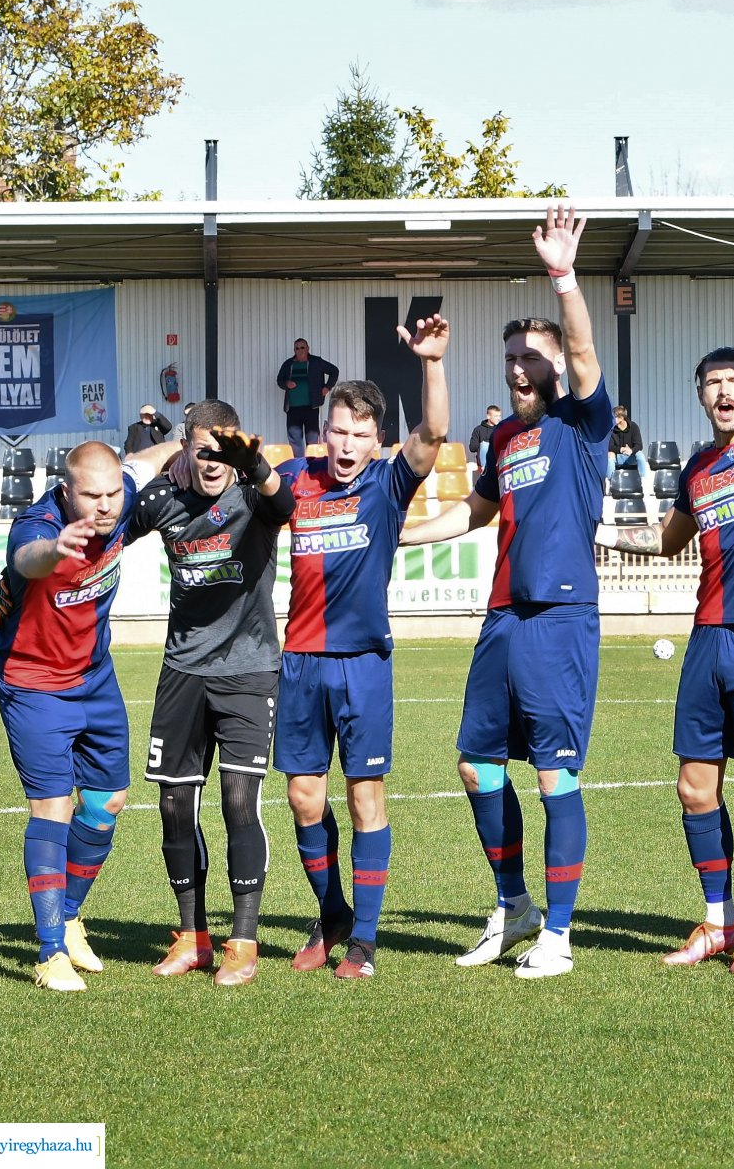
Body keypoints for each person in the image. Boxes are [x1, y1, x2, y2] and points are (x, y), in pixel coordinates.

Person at [400, 204, 610, 980]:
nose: (520, 367)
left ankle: (558, 932)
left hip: (559, 619)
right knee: (477, 767)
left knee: (555, 774)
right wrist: (401, 532)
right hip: (502, 619)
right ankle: (515, 904)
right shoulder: (504, 438)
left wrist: (564, 277)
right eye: (512, 357)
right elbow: (476, 508)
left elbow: (583, 351)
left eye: (533, 356)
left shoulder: (583, 421)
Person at [595, 258, 734, 976]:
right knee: (694, 786)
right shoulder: (695, 468)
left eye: (733, 382)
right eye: (710, 384)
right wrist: (590, 530)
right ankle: (720, 921)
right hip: (707, 642)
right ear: (700, 398)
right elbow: (666, 539)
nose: (722, 392)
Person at [273, 317, 451, 981]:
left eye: (359, 434)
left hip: (363, 665)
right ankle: (332, 913)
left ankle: (365, 941)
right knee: (302, 797)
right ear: (324, 433)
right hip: (300, 662)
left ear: (377, 442)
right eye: (337, 431)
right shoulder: (295, 481)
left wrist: (430, 363)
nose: (346, 444)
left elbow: (432, 433)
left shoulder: (386, 486)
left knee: (364, 798)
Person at [0, 438, 178, 991]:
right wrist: (56, 548)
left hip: (94, 676)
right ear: (65, 492)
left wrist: (190, 435)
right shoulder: (37, 526)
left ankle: (69, 916)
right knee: (52, 806)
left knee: (106, 801)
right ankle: (49, 954)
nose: (104, 506)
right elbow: (26, 558)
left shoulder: (120, 490)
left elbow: (151, 458)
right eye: (90, 496)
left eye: (112, 493)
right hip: (33, 681)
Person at [128, 406, 294, 986]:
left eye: (223, 452)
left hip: (248, 671)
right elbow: (111, 523)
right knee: (174, 805)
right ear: (185, 449)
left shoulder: (254, 494)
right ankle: (191, 936)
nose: (212, 463)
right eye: (202, 450)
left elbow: (286, 507)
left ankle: (242, 942)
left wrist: (260, 466)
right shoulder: (164, 499)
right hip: (182, 671)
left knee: (238, 801)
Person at [277, 338, 340, 459]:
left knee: (312, 441)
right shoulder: (288, 364)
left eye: (302, 347)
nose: (300, 350)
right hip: (292, 408)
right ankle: (299, 466)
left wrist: (327, 387)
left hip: (311, 407)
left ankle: (312, 466)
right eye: (297, 348)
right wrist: (286, 384)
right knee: (295, 441)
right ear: (294, 350)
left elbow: (334, 371)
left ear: (307, 348)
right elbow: (279, 380)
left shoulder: (316, 362)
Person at [611, 404, 650, 487]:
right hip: (618, 457)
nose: (611, 419)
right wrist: (621, 449)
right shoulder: (611, 429)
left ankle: (643, 481)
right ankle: (611, 482)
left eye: (614, 417)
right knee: (609, 455)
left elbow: (639, 445)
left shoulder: (633, 427)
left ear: (621, 418)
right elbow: (609, 446)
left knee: (640, 455)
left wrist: (631, 450)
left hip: (630, 457)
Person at [468, 404, 501, 477]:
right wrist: (484, 444)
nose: (498, 418)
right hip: (484, 463)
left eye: (499, 416)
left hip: (498, 462)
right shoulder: (478, 430)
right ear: (488, 416)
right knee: (484, 445)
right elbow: (472, 448)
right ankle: (485, 471)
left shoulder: (500, 429)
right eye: (496, 416)